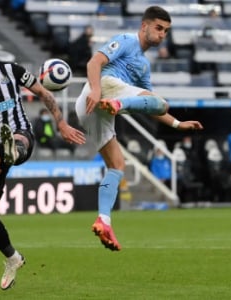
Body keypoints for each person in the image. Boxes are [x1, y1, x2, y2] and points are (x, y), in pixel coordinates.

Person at [0, 35, 85, 290]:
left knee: (15, 142)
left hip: (20, 132)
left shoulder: (11, 70)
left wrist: (61, 123)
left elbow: (44, 93)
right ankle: (13, 258)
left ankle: (13, 150)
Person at [75, 6, 203, 251]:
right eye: (158, 28)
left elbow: (151, 105)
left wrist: (177, 124)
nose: (162, 34)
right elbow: (95, 62)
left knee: (117, 165)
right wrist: (96, 89)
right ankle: (118, 104)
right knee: (162, 102)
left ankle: (104, 220)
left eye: (166, 31)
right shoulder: (126, 40)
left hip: (91, 110)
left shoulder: (144, 66)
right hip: (101, 91)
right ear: (144, 26)